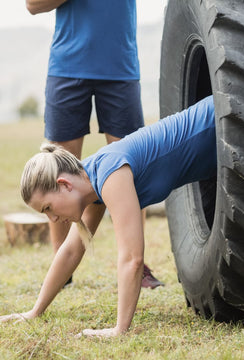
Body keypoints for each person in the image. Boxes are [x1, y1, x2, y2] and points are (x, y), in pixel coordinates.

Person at [0, 95, 216, 338]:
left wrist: (119, 330)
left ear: (64, 184)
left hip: (220, 120)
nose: (52, 219)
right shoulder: (91, 185)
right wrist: (34, 311)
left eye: (48, 208)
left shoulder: (110, 174)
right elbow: (71, 251)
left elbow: (133, 258)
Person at [25, 0, 162, 288]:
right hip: (67, 66)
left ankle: (138, 267)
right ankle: (62, 273)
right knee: (57, 173)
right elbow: (32, 5)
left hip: (121, 67)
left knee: (133, 168)